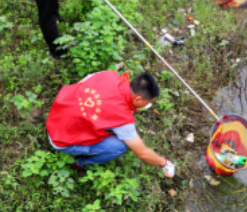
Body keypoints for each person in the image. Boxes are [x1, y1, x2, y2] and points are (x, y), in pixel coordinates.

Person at [46, 70, 176, 178]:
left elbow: (80, 84)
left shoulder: (109, 74)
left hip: (54, 120)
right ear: (138, 98)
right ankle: (81, 164)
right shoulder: (123, 118)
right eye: (147, 102)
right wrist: (164, 163)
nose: (147, 105)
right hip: (61, 141)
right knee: (120, 146)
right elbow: (142, 153)